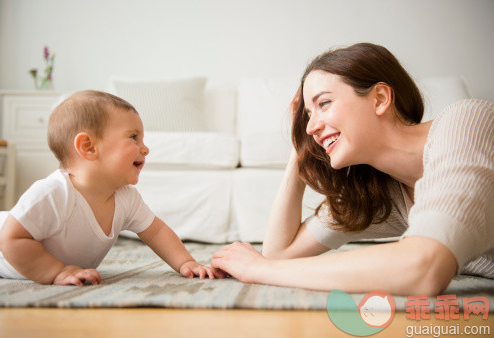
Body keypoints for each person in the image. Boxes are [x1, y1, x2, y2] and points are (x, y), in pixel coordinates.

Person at [211, 43, 493, 296]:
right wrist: (299, 152)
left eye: (324, 103)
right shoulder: (382, 192)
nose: (311, 128)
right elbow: (280, 254)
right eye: (308, 115)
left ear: (380, 98)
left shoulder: (468, 123)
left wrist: (259, 271)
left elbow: (424, 266)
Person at [0, 90, 224, 285]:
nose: (145, 149)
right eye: (133, 137)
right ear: (88, 147)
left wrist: (185, 262)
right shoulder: (54, 194)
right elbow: (9, 240)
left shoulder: (126, 198)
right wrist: (57, 271)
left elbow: (156, 232)